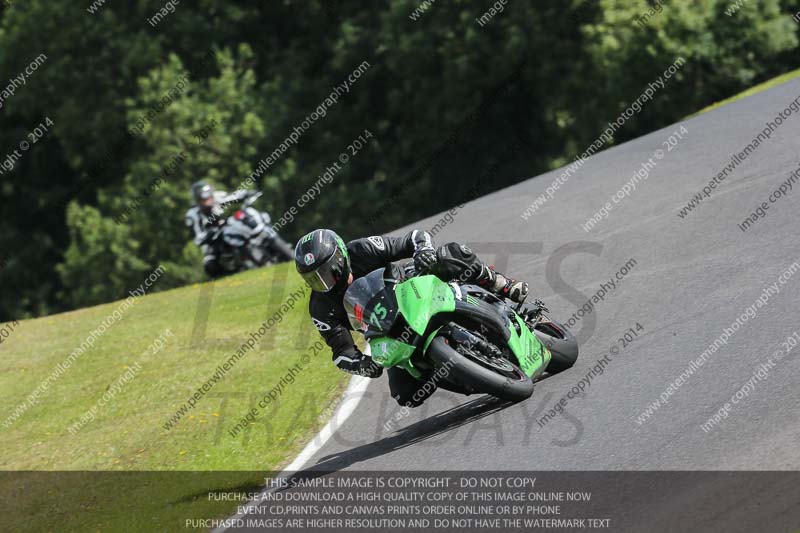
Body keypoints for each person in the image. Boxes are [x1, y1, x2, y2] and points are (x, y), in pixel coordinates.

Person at [294, 228, 529, 408]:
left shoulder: (362, 250)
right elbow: (341, 351)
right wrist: (362, 364)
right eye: (314, 279)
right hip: (390, 332)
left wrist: (423, 251)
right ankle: (466, 373)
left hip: (410, 286)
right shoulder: (320, 309)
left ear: (341, 255)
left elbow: (413, 237)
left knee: (451, 254)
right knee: (404, 395)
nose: (325, 282)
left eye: (327, 271)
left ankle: (502, 285)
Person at [185, 180, 253, 278]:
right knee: (210, 266)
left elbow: (233, 196)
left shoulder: (217, 197)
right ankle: (232, 276)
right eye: (203, 200)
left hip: (229, 228)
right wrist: (207, 235)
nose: (207, 201)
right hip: (211, 242)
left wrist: (247, 193)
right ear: (198, 201)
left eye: (208, 198)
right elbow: (197, 238)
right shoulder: (192, 215)